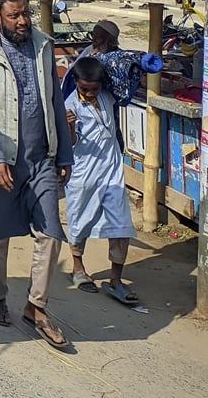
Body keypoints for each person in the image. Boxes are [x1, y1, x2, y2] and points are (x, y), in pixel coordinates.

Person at [0, 0, 74, 351]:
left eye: (25, 13)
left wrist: (64, 153)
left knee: (51, 232)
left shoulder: (43, 45)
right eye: (14, 15)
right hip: (1, 159)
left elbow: (55, 102)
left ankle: (36, 306)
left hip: (39, 158)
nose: (22, 20)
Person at [64, 57, 139, 304]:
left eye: (93, 89)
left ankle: (116, 280)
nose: (89, 93)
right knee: (80, 218)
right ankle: (78, 268)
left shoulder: (108, 97)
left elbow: (124, 69)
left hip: (112, 167)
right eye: (84, 89)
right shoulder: (70, 106)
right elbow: (71, 144)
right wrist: (70, 128)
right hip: (84, 171)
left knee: (121, 223)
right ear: (75, 83)